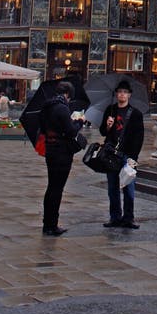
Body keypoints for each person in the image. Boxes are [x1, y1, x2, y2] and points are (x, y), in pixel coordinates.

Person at [40, 81, 87, 236]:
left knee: (51, 187)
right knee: (57, 189)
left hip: (50, 150)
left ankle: (47, 223)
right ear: (68, 94)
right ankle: (52, 225)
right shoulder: (62, 108)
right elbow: (71, 131)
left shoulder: (47, 107)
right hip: (61, 153)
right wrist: (80, 122)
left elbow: (45, 128)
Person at [100, 78, 144, 229]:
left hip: (128, 155)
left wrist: (133, 158)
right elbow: (102, 132)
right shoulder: (110, 110)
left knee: (128, 188)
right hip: (111, 154)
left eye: (125, 92)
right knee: (112, 188)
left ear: (129, 95)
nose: (122, 95)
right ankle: (115, 217)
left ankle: (128, 218)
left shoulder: (135, 114)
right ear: (116, 94)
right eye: (119, 92)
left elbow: (139, 138)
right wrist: (107, 126)